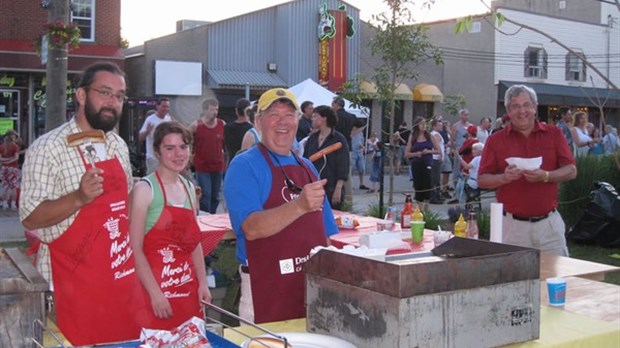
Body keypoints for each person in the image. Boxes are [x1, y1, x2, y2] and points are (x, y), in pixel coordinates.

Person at [19, 62, 141, 345]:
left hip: (119, 283)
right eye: (105, 93)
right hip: (72, 289)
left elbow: (124, 206)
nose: (113, 103)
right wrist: (78, 198)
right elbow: (30, 217)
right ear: (82, 95)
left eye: (120, 96)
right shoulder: (48, 148)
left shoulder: (117, 145)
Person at [223, 88, 338, 324]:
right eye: (274, 114)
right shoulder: (244, 166)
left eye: (289, 115)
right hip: (266, 288)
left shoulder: (307, 167)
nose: (282, 122)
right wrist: (299, 205)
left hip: (308, 287)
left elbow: (325, 234)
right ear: (258, 121)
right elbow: (251, 228)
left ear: (298, 120)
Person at [129, 121, 211, 329]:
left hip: (187, 290)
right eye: (170, 148)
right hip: (153, 294)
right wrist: (155, 294)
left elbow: (194, 243)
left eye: (183, 147)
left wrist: (202, 283)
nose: (178, 154)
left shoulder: (190, 189)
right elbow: (134, 249)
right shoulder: (145, 190)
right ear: (157, 152)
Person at [478, 84, 576, 257]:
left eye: (526, 105)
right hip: (512, 229)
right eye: (515, 106)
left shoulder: (554, 134)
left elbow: (571, 170)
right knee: (513, 281)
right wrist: (504, 177)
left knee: (557, 280)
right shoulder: (495, 140)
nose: (522, 111)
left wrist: (545, 176)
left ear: (535, 107)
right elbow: (482, 180)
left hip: (549, 227)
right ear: (508, 110)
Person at [304, 105, 351, 210]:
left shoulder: (338, 139)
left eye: (315, 116)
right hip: (314, 188)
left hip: (331, 188)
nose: (312, 119)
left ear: (324, 118)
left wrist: (338, 188)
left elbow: (343, 165)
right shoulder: (312, 139)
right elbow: (305, 162)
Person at [190, 98, 225, 214]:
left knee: (215, 195)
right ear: (205, 110)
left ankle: (213, 215)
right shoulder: (196, 125)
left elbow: (225, 144)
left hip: (218, 165)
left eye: (216, 109)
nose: (215, 112)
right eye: (212, 109)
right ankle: (205, 217)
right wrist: (189, 156)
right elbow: (187, 140)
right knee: (206, 194)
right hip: (202, 165)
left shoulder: (222, 124)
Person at [404, 116, 440, 205]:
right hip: (416, 164)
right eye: (421, 123)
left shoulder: (430, 136)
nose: (424, 125)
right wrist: (416, 154)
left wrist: (428, 151)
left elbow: (438, 150)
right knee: (418, 186)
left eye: (425, 123)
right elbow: (406, 154)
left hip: (427, 163)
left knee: (427, 185)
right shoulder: (413, 137)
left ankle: (426, 208)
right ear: (417, 125)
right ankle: (419, 209)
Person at [139, 97, 173, 174]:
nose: (166, 109)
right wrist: (147, 131)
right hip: (153, 157)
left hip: (166, 157)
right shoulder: (150, 119)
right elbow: (140, 137)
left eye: (167, 107)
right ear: (157, 106)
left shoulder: (169, 119)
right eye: (163, 106)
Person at [224, 98, 253, 162]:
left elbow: (226, 151)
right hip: (246, 164)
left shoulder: (227, 128)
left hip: (231, 163)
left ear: (236, 111)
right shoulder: (252, 130)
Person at [0, 130, 20, 210]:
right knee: (13, 187)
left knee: (5, 186)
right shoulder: (15, 146)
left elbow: (0, 158)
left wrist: (5, 161)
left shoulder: (1, 146)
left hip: (4, 168)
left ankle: (4, 204)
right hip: (13, 168)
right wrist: (10, 160)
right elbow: (16, 158)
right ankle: (13, 204)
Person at [429, 119, 444, 204]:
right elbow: (437, 146)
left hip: (436, 159)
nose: (441, 127)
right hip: (435, 158)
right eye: (439, 125)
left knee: (437, 179)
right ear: (434, 126)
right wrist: (441, 155)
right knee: (435, 179)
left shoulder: (437, 134)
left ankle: (437, 195)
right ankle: (434, 197)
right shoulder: (435, 135)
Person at [350, 118, 368, 190]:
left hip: (359, 152)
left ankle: (361, 183)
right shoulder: (352, 132)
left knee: (362, 168)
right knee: (352, 169)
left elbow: (361, 141)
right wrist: (363, 147)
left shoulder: (361, 133)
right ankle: (351, 184)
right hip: (353, 151)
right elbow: (357, 142)